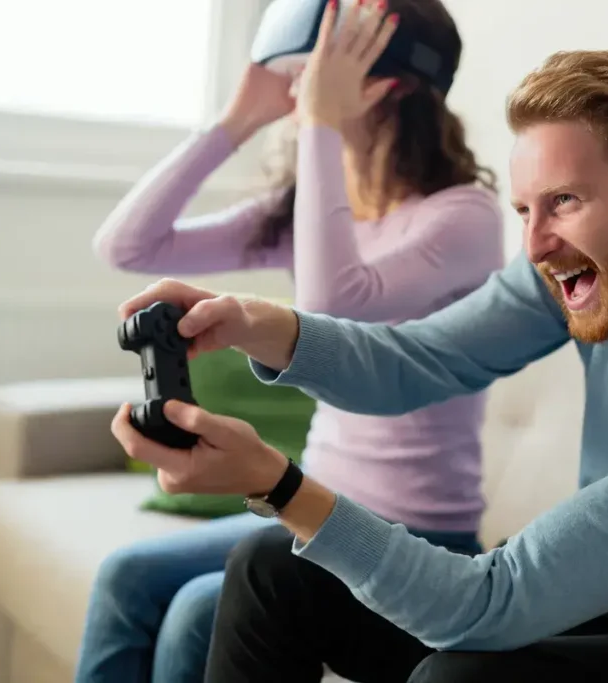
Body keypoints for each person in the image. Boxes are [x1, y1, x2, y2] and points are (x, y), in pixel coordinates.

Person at [109, 48, 608, 683]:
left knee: (460, 674)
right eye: (526, 209)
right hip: (601, 604)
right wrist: (255, 324)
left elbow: (485, 605)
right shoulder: (597, 277)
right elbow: (417, 358)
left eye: (564, 200)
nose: (535, 245)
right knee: (274, 571)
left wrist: (275, 481)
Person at [74, 2, 504, 682]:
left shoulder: (463, 217)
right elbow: (126, 245)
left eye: (316, 72)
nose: (299, 87)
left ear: (388, 85)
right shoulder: (310, 213)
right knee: (128, 576)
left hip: (415, 536)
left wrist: (320, 126)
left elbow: (330, 305)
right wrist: (236, 121)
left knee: (196, 609)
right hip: (305, 506)